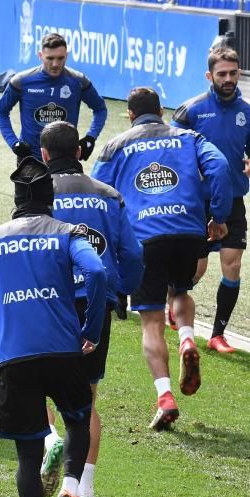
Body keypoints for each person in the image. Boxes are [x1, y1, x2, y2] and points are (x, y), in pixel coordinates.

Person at [0, 157, 106, 497]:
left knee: (28, 457)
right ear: (50, 201)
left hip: (15, 357)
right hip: (63, 349)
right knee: (78, 419)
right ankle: (70, 486)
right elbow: (97, 271)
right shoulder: (67, 233)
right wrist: (91, 327)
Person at [92, 88, 231, 430]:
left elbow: (99, 194)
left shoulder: (116, 145)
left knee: (152, 321)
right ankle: (186, 336)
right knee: (181, 291)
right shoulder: (188, 137)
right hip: (188, 232)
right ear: (162, 111)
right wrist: (219, 215)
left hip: (145, 239)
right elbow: (221, 166)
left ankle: (165, 397)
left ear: (130, 115)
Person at [34, 121, 144, 497]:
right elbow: (131, 253)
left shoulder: (40, 193)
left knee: (38, 385)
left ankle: (50, 439)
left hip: (51, 301)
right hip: (95, 303)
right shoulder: (109, 194)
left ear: (44, 155)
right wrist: (123, 292)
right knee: (88, 400)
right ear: (80, 151)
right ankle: (86, 490)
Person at [171, 47, 250, 353]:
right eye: (222, 74)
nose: (229, 79)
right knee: (196, 269)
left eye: (234, 73)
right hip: (197, 203)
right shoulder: (191, 110)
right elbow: (171, 149)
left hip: (232, 202)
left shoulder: (247, 113)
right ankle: (173, 303)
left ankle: (217, 334)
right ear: (209, 76)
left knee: (232, 266)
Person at [0, 32, 108, 163]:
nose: (55, 64)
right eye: (50, 58)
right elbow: (1, 112)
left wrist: (90, 138)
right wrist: (14, 143)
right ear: (40, 56)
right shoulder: (21, 81)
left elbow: (100, 109)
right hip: (30, 161)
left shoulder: (78, 81)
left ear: (67, 56)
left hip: (67, 161)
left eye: (61, 58)